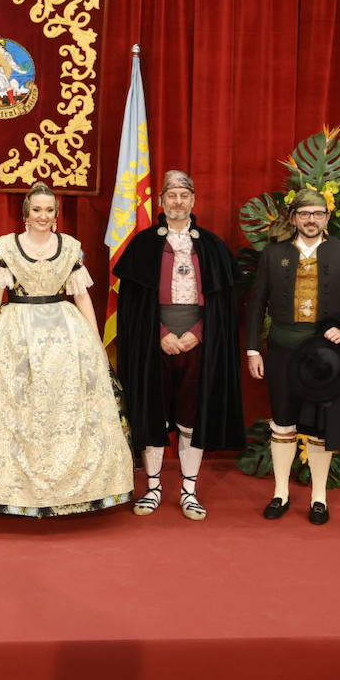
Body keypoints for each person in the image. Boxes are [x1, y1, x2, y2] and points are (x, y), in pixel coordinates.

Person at [0, 183, 132, 516]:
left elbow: (80, 297)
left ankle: (72, 489)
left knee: (62, 408)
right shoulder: (5, 247)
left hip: (64, 333)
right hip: (15, 333)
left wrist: (93, 341)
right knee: (13, 407)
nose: (43, 216)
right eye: (37, 210)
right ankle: (9, 490)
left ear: (56, 214)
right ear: (26, 213)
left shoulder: (71, 248)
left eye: (49, 210)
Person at [115, 170, 244, 520]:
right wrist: (160, 334)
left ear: (193, 201)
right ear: (160, 201)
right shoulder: (142, 245)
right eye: (171, 195)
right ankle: (153, 487)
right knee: (153, 413)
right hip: (155, 342)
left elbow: (223, 306)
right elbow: (132, 308)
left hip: (198, 342)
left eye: (184, 195)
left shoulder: (213, 246)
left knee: (191, 415)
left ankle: (189, 490)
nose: (178, 201)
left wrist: (198, 333)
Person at [245, 188, 340, 524]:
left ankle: (318, 497)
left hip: (326, 356)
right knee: (283, 422)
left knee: (319, 428)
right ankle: (281, 493)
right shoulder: (274, 254)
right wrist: (253, 349)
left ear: (327, 217)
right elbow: (257, 303)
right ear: (293, 217)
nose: (311, 220)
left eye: (317, 213)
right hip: (283, 350)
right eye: (304, 214)